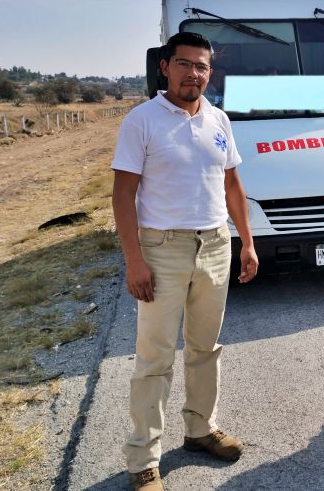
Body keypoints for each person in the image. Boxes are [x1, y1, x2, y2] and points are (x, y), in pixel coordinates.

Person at [111, 31, 259, 491]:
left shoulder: (218, 119)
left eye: (201, 66)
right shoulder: (142, 120)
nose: (193, 73)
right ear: (165, 67)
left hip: (215, 244)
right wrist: (135, 261)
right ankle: (143, 460)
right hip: (162, 249)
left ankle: (199, 430)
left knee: (205, 349)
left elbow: (232, 184)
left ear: (209, 73)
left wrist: (247, 242)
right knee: (154, 358)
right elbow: (123, 194)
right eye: (184, 64)